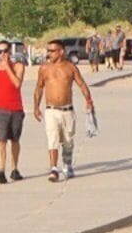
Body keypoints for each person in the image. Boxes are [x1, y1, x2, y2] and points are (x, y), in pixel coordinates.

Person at [33, 40, 96, 182]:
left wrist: (89, 101)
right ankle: (54, 169)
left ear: (61, 52)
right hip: (51, 110)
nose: (49, 53)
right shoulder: (44, 68)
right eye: (48, 50)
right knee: (52, 139)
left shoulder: (70, 68)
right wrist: (36, 107)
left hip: (67, 110)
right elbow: (39, 88)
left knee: (68, 141)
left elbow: (81, 84)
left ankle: (67, 164)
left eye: (52, 51)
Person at [0, 44, 27, 183]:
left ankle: (14, 169)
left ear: (9, 52)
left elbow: (17, 84)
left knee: (15, 139)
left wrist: (7, 66)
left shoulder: (18, 66)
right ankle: (1, 170)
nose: (2, 54)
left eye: (5, 51)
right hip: (0, 109)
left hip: (16, 109)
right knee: (1, 141)